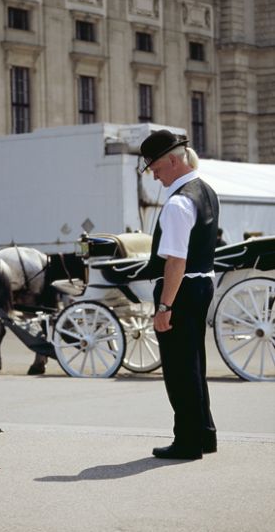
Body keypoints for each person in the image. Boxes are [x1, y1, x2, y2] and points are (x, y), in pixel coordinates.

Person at [139, 129, 219, 460]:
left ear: (172, 161)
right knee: (194, 362)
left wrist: (164, 306)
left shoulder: (178, 202)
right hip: (202, 285)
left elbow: (175, 260)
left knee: (179, 369)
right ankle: (205, 434)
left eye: (156, 169)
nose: (155, 178)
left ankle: (187, 441)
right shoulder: (206, 191)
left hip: (182, 289)